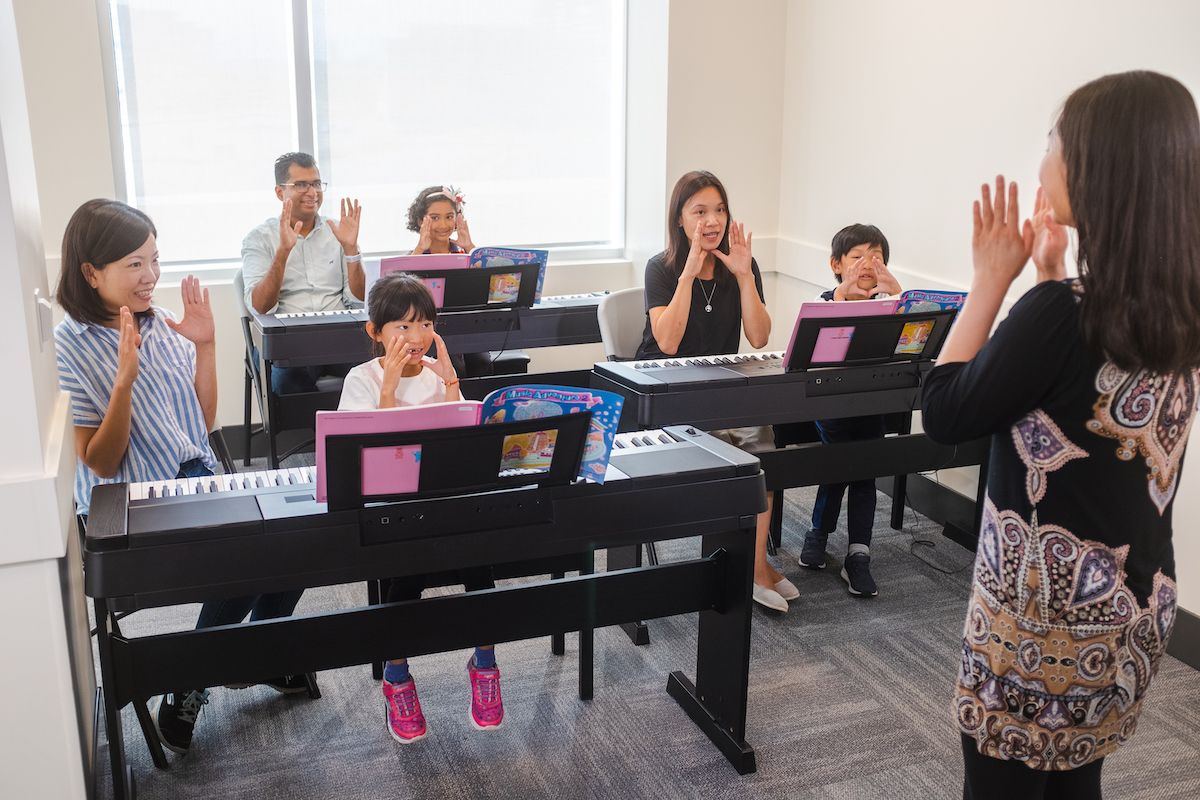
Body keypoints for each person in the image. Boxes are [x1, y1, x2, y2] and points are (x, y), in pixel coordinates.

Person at [921, 71, 1200, 799]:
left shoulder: (1058, 315)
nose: (1044, 156)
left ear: (1098, 166)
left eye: (1055, 140)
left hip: (1038, 629)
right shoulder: (1180, 309)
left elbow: (944, 412)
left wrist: (991, 280)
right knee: (1075, 786)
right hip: (1131, 613)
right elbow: (1081, 407)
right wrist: (1048, 275)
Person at [54, 199, 307, 756]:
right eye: (135, 265)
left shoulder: (155, 320)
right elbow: (98, 460)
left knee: (301, 537)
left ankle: (243, 658)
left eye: (154, 260)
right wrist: (123, 381)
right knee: (247, 557)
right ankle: (195, 681)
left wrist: (206, 344)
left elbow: (202, 419)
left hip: (195, 480)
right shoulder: (68, 342)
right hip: (128, 508)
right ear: (90, 272)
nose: (151, 277)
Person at [338, 272, 503, 743]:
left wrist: (451, 382)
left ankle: (486, 663)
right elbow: (367, 459)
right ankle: (396, 676)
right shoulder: (361, 381)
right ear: (375, 332)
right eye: (403, 327)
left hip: (444, 500)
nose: (416, 338)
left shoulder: (437, 374)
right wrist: (389, 387)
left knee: (479, 562)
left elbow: (462, 444)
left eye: (426, 325)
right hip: (391, 509)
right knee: (407, 571)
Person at [636, 170, 794, 612]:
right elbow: (666, 342)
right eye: (700, 211)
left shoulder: (740, 263)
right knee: (729, 454)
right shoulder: (661, 268)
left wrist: (744, 277)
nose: (713, 220)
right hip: (665, 385)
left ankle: (755, 564)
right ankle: (747, 569)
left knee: (762, 448)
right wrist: (687, 274)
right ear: (681, 220)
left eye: (719, 210)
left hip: (721, 383)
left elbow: (759, 338)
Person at [799, 225, 902, 596]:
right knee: (839, 465)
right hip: (831, 403)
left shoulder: (887, 305)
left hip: (873, 403)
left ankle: (859, 552)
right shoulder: (824, 301)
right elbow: (815, 342)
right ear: (836, 265)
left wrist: (898, 296)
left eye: (876, 258)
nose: (866, 265)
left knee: (866, 473)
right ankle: (818, 534)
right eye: (857, 257)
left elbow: (912, 339)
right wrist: (843, 296)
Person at [241, 151, 365, 394]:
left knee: (376, 373)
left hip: (338, 338)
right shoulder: (259, 239)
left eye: (316, 183)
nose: (312, 192)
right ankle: (320, 432)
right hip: (288, 344)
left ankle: (354, 431)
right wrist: (283, 252)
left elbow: (359, 299)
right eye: (300, 184)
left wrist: (351, 250)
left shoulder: (338, 232)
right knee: (288, 384)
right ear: (280, 192)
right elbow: (260, 308)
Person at [406, 185, 474, 254]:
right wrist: (420, 248)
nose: (443, 226)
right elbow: (410, 264)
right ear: (421, 222)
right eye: (435, 218)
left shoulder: (465, 252)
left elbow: (482, 263)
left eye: (449, 217)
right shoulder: (415, 254)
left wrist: (469, 246)